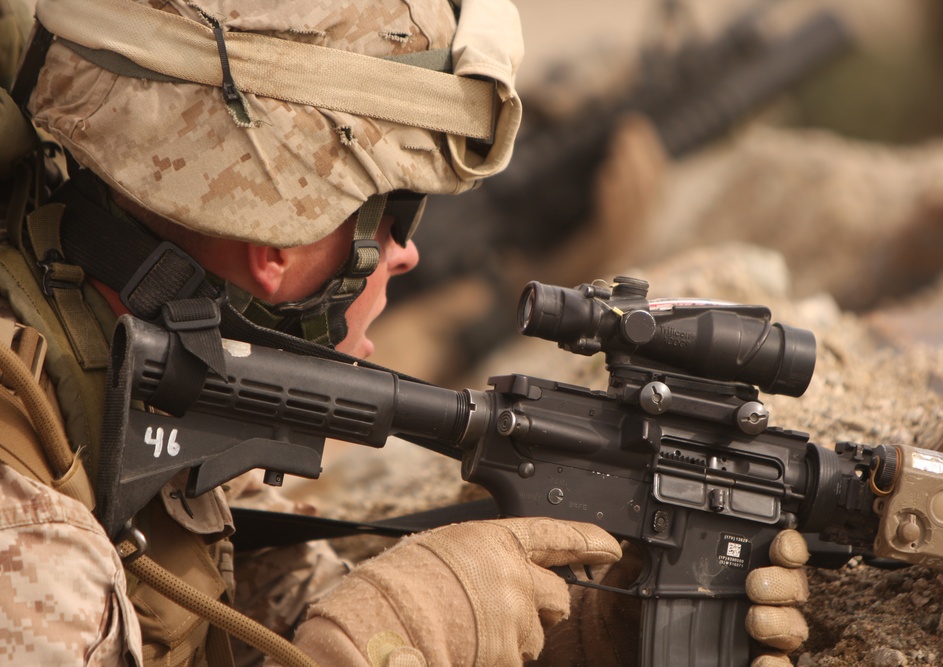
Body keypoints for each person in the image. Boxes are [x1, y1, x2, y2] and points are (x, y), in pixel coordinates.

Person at [0, 0, 809, 665]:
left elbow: (236, 604)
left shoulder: (113, 366)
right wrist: (383, 646)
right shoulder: (34, 554)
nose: (406, 250)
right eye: (393, 212)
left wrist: (583, 629)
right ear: (280, 238)